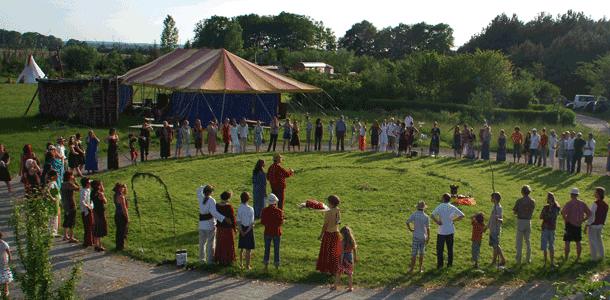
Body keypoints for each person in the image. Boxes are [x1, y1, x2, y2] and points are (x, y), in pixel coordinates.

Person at [430, 193, 465, 268]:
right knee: (450, 248)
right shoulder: (452, 207)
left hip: (442, 230)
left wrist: (437, 222)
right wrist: (454, 220)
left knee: (440, 249)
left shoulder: (440, 206)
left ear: (443, 198)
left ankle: (440, 264)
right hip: (450, 230)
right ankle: (450, 264)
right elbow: (462, 215)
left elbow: (432, 215)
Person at [197, 185, 229, 264]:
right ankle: (210, 260)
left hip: (201, 224)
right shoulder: (211, 200)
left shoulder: (201, 197)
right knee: (211, 243)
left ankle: (201, 259)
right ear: (211, 192)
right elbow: (214, 213)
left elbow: (198, 189)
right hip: (210, 224)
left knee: (202, 243)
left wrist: (205, 186)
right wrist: (223, 218)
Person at [562, 188, 592, 262]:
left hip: (569, 225)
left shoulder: (569, 203)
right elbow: (589, 214)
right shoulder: (582, 203)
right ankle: (578, 258)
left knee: (567, 242)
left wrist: (565, 220)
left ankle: (566, 258)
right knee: (578, 242)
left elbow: (563, 213)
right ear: (577, 194)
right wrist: (583, 220)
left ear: (571, 195)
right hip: (578, 225)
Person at [316, 195, 341, 274]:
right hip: (336, 233)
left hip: (328, 233)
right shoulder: (338, 211)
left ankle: (323, 268)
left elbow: (325, 224)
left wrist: (321, 234)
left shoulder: (328, 212)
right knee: (334, 252)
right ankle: (333, 269)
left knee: (325, 252)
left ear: (330, 203)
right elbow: (338, 221)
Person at [513, 184, 535, 264]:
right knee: (527, 241)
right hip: (528, 221)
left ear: (522, 192)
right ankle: (528, 259)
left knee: (519, 241)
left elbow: (514, 211)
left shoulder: (519, 201)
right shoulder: (532, 201)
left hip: (520, 221)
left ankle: (518, 259)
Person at [331, 226, 358, 292]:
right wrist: (355, 257)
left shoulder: (343, 242)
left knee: (339, 272)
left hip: (344, 258)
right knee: (350, 273)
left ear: (344, 234)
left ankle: (335, 286)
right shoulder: (352, 241)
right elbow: (354, 249)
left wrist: (341, 261)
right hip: (350, 257)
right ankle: (350, 287)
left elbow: (342, 252)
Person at [261, 194, 284, 270]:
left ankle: (266, 266)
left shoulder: (264, 210)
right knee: (277, 250)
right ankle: (277, 266)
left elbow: (262, 222)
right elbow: (281, 222)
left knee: (267, 249)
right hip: (276, 232)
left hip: (267, 231)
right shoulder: (279, 211)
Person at [406, 200, 430, 273]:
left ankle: (412, 269)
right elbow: (428, 228)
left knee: (414, 253)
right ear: (424, 208)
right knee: (421, 254)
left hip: (416, 235)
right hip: (423, 237)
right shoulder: (426, 217)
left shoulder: (414, 214)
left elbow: (407, 222)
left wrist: (411, 229)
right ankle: (420, 268)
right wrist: (428, 237)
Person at [585, 187, 607, 261]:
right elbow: (605, 216)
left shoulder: (595, 204)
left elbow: (592, 216)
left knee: (593, 242)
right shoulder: (606, 204)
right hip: (600, 225)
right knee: (599, 241)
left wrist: (587, 224)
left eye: (596, 192)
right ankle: (602, 256)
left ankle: (594, 258)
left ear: (598, 194)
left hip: (594, 225)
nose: (594, 193)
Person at [214, 191, 237, 265]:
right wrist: (234, 228)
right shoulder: (229, 207)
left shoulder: (217, 206)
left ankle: (220, 258)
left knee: (220, 244)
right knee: (228, 245)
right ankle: (228, 260)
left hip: (220, 227)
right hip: (227, 228)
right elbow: (233, 219)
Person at [540, 192, 561, 267]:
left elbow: (541, 216)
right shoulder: (556, 208)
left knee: (544, 246)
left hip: (545, 228)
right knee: (551, 246)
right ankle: (552, 262)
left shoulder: (545, 208)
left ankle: (545, 263)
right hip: (552, 228)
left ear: (549, 199)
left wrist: (546, 215)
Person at [236, 192, 255, 269]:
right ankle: (247, 265)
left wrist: (242, 231)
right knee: (248, 250)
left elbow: (238, 221)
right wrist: (247, 231)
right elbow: (252, 222)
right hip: (249, 229)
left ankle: (241, 264)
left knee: (242, 248)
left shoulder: (240, 208)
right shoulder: (250, 209)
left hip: (242, 228)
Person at [61, 170, 80, 243]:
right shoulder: (70, 184)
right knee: (72, 220)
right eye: (72, 175)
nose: (73, 177)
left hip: (65, 204)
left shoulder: (63, 184)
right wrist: (75, 182)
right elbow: (78, 189)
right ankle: (71, 237)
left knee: (66, 219)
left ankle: (65, 235)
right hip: (71, 204)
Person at [487, 192, 506, 266]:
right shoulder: (494, 206)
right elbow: (491, 218)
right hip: (492, 228)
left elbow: (501, 220)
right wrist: (487, 226)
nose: (491, 199)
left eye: (492, 198)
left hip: (496, 229)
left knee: (496, 245)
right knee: (494, 246)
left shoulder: (499, 208)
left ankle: (499, 260)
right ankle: (496, 260)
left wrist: (498, 218)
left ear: (494, 199)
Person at [91, 180, 108, 251]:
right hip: (100, 211)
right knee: (100, 227)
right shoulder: (99, 194)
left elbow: (102, 191)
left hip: (95, 211)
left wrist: (101, 186)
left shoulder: (92, 193)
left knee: (96, 227)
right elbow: (105, 201)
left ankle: (96, 244)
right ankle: (99, 245)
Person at [44, 169, 61, 236]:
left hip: (55, 202)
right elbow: (47, 191)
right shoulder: (52, 183)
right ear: (52, 176)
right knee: (53, 217)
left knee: (54, 216)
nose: (58, 177)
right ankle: (52, 232)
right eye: (56, 176)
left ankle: (53, 231)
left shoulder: (53, 182)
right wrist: (52, 198)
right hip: (53, 203)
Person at [114, 182, 130, 251]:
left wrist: (125, 187)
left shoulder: (115, 195)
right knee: (122, 232)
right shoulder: (121, 197)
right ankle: (121, 246)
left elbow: (125, 192)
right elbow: (124, 208)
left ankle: (118, 246)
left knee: (119, 231)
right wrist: (127, 218)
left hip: (117, 215)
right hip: (122, 216)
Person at [79, 177, 94, 248]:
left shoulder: (88, 190)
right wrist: (87, 206)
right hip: (86, 210)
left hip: (90, 208)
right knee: (88, 226)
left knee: (91, 225)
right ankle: (87, 241)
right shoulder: (84, 191)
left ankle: (91, 240)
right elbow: (81, 201)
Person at [0, 232, 12, 297]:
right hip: (2, 261)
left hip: (3, 261)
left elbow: (8, 253)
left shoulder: (4, 244)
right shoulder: (4, 244)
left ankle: (6, 290)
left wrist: (10, 260)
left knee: (4, 275)